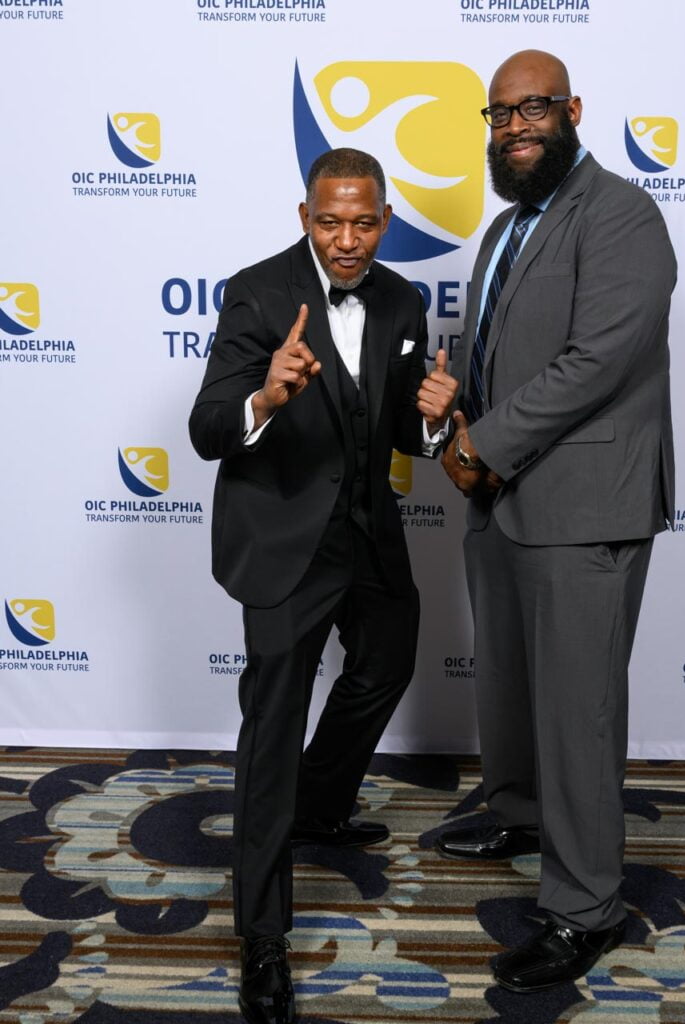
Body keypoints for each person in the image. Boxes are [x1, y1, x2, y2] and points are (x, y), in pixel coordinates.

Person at [189, 148, 456, 1024]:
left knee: (388, 660)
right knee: (271, 731)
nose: (347, 240)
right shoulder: (257, 293)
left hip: (367, 531)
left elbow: (402, 432)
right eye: (330, 222)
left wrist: (432, 421)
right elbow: (206, 427)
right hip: (283, 542)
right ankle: (263, 938)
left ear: (385, 221)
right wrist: (265, 397)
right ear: (305, 217)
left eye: (363, 222)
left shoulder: (402, 300)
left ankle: (319, 805)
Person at [437, 50, 676, 992]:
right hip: (501, 494)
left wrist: (481, 446)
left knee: (577, 711)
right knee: (508, 682)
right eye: (499, 114)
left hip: (583, 502)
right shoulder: (505, 228)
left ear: (572, 110)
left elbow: (596, 361)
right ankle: (518, 811)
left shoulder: (620, 213)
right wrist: (454, 423)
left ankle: (584, 907)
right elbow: (494, 358)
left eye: (532, 108)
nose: (514, 127)